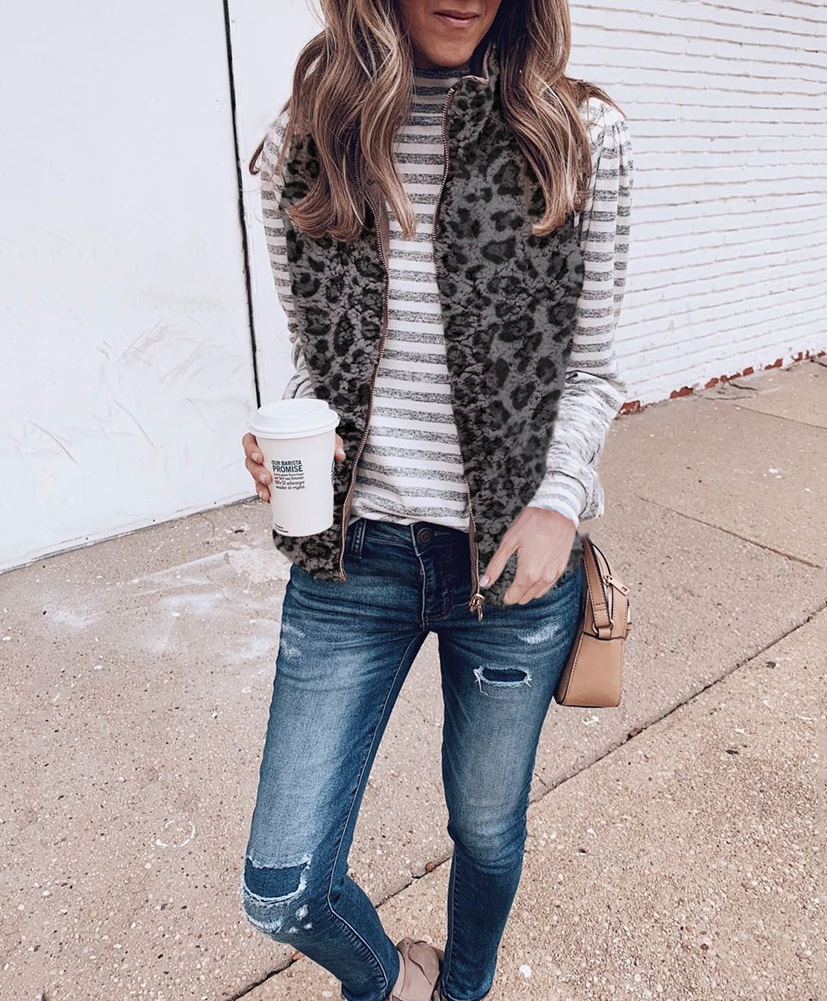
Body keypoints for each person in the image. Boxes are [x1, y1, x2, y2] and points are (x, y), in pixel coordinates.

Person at [239, 2, 633, 999]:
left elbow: (590, 368)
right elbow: (318, 357)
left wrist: (557, 498)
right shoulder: (311, 140)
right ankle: (391, 983)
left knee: (487, 830)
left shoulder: (576, 135)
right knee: (281, 886)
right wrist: (293, 434)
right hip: (351, 560)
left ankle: (463, 986)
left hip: (509, 570)